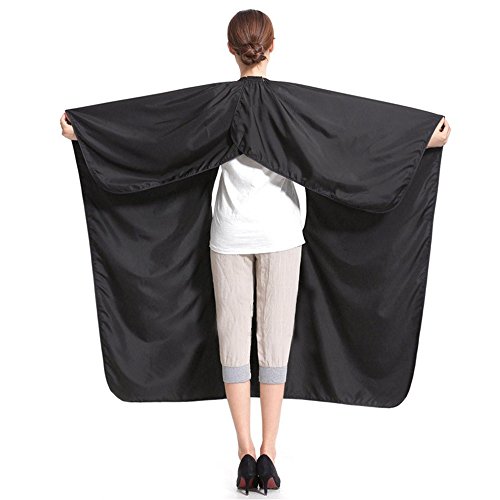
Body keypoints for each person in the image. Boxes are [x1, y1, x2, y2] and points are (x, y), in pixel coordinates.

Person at [60, 8, 451, 495]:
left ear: (230, 49)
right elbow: (354, 132)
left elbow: (154, 131)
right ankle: (269, 451)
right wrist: (422, 137)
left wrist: (86, 130)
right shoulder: (292, 107)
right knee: (274, 347)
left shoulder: (212, 106)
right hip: (282, 237)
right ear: (272, 46)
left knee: (232, 346)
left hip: (227, 238)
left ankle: (244, 451)